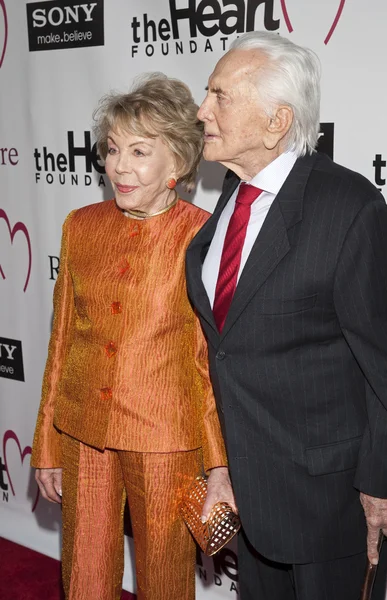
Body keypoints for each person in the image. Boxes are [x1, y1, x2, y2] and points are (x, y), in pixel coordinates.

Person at [186, 31, 387, 600]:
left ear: (276, 121)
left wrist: (383, 483)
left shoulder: (349, 209)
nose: (201, 109)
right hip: (252, 499)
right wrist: (222, 467)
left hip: (331, 504)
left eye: (220, 96)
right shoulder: (230, 198)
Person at [31, 73, 235, 600]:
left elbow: (207, 359)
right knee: (84, 577)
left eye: (141, 151)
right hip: (82, 434)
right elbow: (61, 342)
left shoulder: (203, 235)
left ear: (180, 164)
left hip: (167, 440)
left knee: (166, 580)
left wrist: (219, 465)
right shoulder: (80, 225)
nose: (120, 166)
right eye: (114, 149)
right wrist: (47, 444)